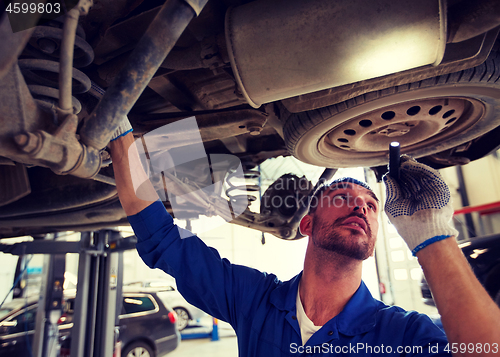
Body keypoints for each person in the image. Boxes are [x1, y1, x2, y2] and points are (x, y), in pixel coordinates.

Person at [108, 124, 500, 356]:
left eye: (370, 205)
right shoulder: (254, 301)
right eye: (343, 198)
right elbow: (165, 241)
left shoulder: (399, 334)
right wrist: (121, 135)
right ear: (308, 224)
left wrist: (432, 235)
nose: (361, 207)